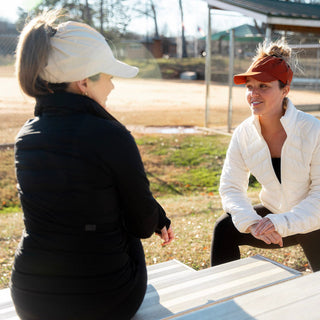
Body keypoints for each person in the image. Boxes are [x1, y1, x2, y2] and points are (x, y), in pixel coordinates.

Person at [11, 11, 174, 320]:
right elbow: (140, 224)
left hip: (31, 300)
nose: (112, 87)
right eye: (108, 77)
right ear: (83, 82)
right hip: (102, 302)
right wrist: (154, 217)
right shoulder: (111, 135)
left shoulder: (26, 137)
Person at [210, 40, 320, 272]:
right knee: (224, 229)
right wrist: (251, 223)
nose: (253, 94)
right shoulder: (243, 133)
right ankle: (224, 302)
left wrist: (282, 222)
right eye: (249, 86)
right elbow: (230, 187)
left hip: (314, 221)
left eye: (263, 86)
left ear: (285, 90)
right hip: (273, 218)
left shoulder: (312, 130)